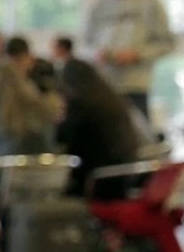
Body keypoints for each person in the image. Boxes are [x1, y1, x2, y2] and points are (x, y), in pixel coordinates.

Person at [83, 0, 174, 118]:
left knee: (137, 130)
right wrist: (97, 54)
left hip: (135, 85)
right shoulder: (100, 7)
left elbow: (167, 43)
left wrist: (137, 54)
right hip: (106, 85)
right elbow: (86, 44)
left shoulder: (149, 3)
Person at [57, 58, 147, 198]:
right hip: (123, 179)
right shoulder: (112, 100)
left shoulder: (82, 106)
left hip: (97, 182)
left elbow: (67, 143)